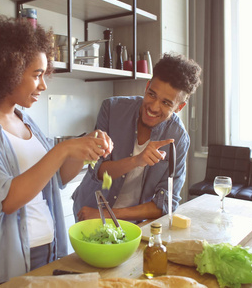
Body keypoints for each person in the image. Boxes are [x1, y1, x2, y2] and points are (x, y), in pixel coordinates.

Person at [0, 17, 112, 287]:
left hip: (50, 251)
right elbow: (6, 200)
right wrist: (63, 149)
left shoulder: (26, 121)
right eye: (37, 75)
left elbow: (56, 177)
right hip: (5, 267)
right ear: (6, 71)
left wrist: (85, 149)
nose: (43, 85)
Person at [72, 53, 202, 223]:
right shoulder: (111, 109)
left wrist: (109, 214)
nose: (154, 107)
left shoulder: (178, 138)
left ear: (179, 107)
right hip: (89, 212)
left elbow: (165, 204)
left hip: (133, 223)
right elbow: (98, 170)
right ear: (147, 86)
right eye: (152, 94)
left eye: (166, 103)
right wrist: (137, 161)